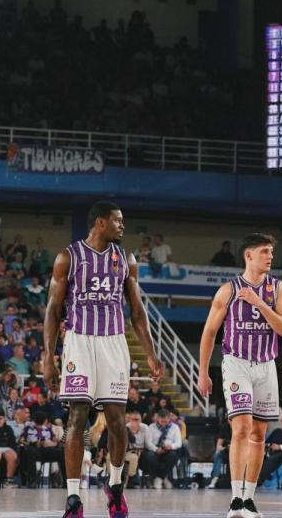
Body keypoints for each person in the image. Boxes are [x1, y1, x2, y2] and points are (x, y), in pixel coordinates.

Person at [42, 201, 164, 518]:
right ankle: (73, 498)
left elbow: (137, 312)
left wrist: (150, 353)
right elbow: (53, 312)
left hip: (113, 342)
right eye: (117, 221)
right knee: (77, 418)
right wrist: (48, 357)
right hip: (79, 342)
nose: (122, 226)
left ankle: (114, 485)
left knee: (116, 419)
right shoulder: (68, 257)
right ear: (100, 223)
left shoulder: (126, 259)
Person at [197, 233, 282, 518]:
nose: (270, 256)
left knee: (260, 434)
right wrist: (203, 372)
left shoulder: (277, 289)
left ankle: (249, 500)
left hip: (266, 365)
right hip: (236, 362)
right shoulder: (228, 290)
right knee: (240, 429)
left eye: (271, 252)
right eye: (265, 251)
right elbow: (209, 333)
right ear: (248, 255)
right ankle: (235, 500)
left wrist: (258, 303)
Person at [143, 409, 184, 489]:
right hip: (155, 449)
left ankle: (159, 478)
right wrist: (156, 449)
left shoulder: (175, 427)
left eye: (165, 421)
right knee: (150, 456)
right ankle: (163, 478)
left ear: (169, 419)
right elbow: (148, 443)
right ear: (158, 419)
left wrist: (171, 446)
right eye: (161, 421)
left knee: (173, 456)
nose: (163, 424)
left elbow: (179, 443)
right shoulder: (151, 427)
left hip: (168, 450)